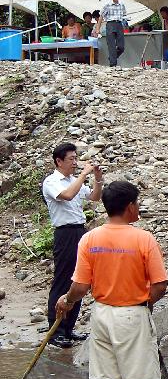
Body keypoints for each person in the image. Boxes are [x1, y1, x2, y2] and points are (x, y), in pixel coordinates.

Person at [55, 180, 168, 379]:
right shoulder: (144, 239)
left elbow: (80, 286)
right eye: (137, 203)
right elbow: (160, 285)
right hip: (133, 313)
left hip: (102, 314)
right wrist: (145, 303)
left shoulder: (89, 239)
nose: (138, 207)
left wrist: (68, 300)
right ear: (129, 207)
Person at [42, 143, 104, 348]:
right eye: (71, 159)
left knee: (80, 278)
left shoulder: (73, 180)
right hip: (65, 233)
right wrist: (83, 175)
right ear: (59, 161)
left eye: (76, 159)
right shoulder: (52, 182)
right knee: (62, 280)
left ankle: (68, 329)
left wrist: (97, 178)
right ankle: (56, 331)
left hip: (80, 230)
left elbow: (94, 197)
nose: (75, 163)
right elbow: (67, 195)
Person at [94, 0, 127, 67]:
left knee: (121, 47)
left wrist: (125, 24)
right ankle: (113, 64)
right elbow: (101, 17)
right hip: (110, 24)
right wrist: (98, 28)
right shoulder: (107, 5)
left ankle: (112, 58)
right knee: (111, 45)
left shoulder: (121, 5)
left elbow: (124, 16)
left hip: (119, 24)